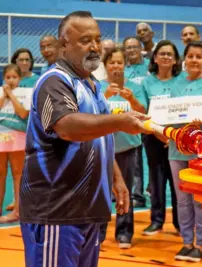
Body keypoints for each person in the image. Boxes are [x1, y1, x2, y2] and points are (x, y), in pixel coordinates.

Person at [19, 11, 152, 267]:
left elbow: (97, 135)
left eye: (98, 39)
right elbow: (67, 126)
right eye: (85, 40)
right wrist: (120, 121)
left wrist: (116, 178)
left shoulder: (90, 83)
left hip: (86, 210)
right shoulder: (54, 82)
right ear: (64, 45)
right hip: (56, 211)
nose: (94, 47)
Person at [170, 41, 202, 262]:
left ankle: (200, 244)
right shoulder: (175, 85)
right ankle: (186, 242)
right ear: (184, 59)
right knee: (182, 200)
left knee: (200, 199)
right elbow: (167, 115)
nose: (194, 60)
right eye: (190, 56)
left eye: (199, 57)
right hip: (176, 149)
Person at [99, 47, 147, 248]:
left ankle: (124, 232)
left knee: (125, 191)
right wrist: (106, 96)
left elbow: (144, 113)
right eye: (112, 62)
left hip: (128, 147)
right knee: (100, 192)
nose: (116, 66)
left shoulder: (135, 87)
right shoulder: (97, 87)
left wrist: (131, 100)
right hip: (103, 148)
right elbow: (90, 112)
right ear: (106, 65)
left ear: (125, 65)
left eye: (119, 62)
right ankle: (98, 232)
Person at [141, 40, 180, 236]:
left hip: (176, 139)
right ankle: (156, 221)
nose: (165, 57)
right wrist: (160, 135)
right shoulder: (147, 83)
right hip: (153, 138)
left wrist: (172, 137)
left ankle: (180, 223)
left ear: (175, 60)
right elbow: (144, 111)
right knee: (156, 181)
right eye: (162, 53)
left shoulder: (181, 81)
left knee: (177, 182)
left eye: (169, 54)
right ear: (155, 58)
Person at [0, 64, 31, 223]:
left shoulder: (26, 93)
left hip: (18, 137)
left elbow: (23, 113)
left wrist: (11, 95)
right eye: (8, 77)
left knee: (18, 174)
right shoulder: (0, 91)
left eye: (14, 77)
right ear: (4, 78)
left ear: (20, 78)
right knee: (0, 174)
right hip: (1, 137)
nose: (11, 80)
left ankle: (17, 212)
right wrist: (4, 95)